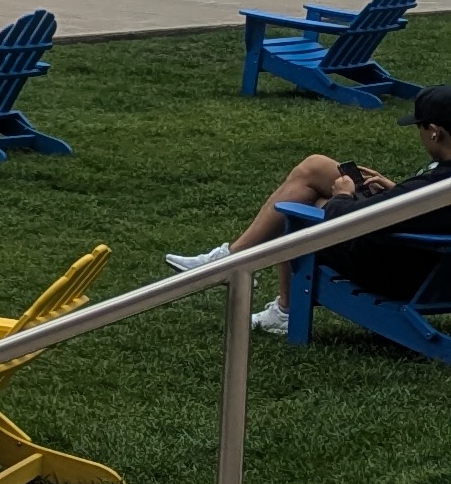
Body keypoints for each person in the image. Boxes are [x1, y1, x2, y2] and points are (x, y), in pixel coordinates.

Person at [171, 87, 451, 328]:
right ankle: (235, 261)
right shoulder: (437, 184)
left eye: (420, 127)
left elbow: (350, 221)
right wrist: (397, 191)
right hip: (432, 264)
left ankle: (272, 297)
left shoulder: (433, 187)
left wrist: (343, 195)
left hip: (399, 269)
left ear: (435, 132)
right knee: (315, 168)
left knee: (303, 211)